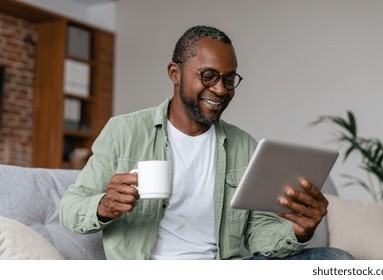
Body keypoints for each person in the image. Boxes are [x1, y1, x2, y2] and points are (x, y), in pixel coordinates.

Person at [59, 25, 353, 260]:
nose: (220, 89)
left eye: (228, 79)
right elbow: (70, 209)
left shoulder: (244, 146)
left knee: (335, 260)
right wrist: (103, 206)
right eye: (208, 76)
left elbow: (258, 234)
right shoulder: (123, 131)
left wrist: (298, 232)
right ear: (175, 73)